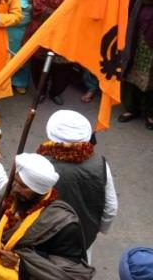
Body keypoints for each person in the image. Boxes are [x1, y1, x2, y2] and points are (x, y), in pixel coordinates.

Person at [0, 153, 96, 279]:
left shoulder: (63, 224)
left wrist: (20, 263)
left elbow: (66, 274)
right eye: (16, 181)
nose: (15, 189)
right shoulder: (10, 198)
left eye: (24, 186)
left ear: (39, 190)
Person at [38, 110, 117, 260]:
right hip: (82, 243)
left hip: (43, 243)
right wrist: (93, 230)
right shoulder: (101, 164)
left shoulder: (39, 163)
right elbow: (111, 209)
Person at [24, 0, 80, 104]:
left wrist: (62, 15)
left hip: (65, 32)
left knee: (62, 66)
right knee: (39, 63)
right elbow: (38, 5)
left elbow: (78, 10)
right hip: (44, 29)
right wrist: (59, 13)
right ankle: (40, 91)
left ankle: (56, 92)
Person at [120, 0, 153, 129]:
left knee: (151, 80)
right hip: (137, 40)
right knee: (132, 73)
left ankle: (151, 114)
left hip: (151, 46)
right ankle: (131, 109)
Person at [7, 0, 39, 95]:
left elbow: (43, 0)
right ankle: (4, 81)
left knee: (22, 55)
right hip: (8, 25)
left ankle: (20, 82)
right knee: (5, 54)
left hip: (25, 26)